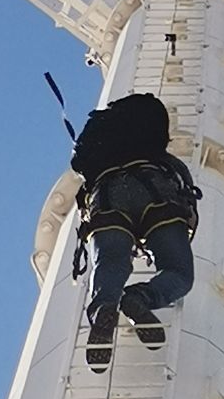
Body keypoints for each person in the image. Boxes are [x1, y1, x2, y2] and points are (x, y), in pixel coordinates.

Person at [69, 92, 200, 370]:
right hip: (155, 190)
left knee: (112, 260)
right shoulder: (159, 154)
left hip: (105, 194)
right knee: (178, 272)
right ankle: (139, 298)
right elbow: (183, 183)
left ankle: (105, 306)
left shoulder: (102, 148)